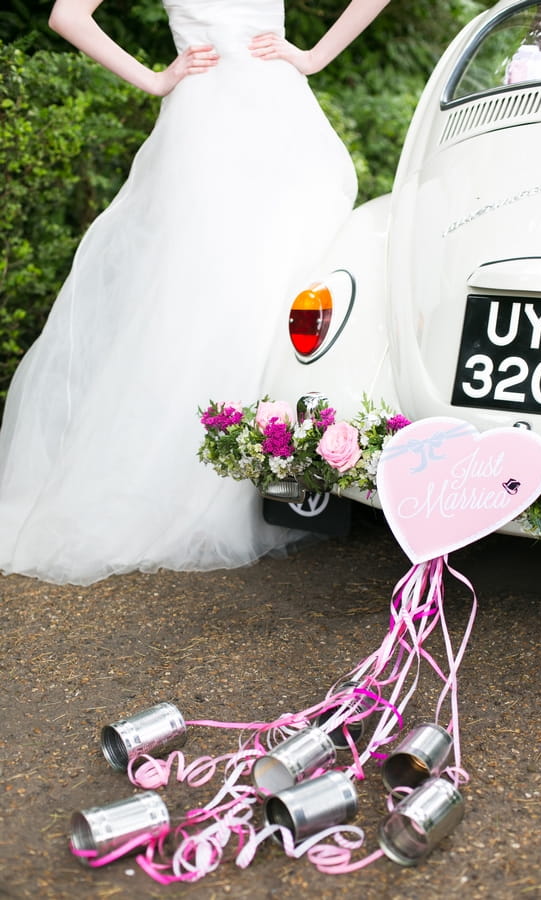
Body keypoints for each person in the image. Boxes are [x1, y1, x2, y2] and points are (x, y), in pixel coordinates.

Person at [0, 0, 389, 585]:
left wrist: (163, 80)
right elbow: (67, 16)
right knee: (217, 292)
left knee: (251, 290)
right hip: (243, 125)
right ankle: (250, 475)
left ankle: (271, 469)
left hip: (246, 124)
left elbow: (66, 16)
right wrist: (307, 59)